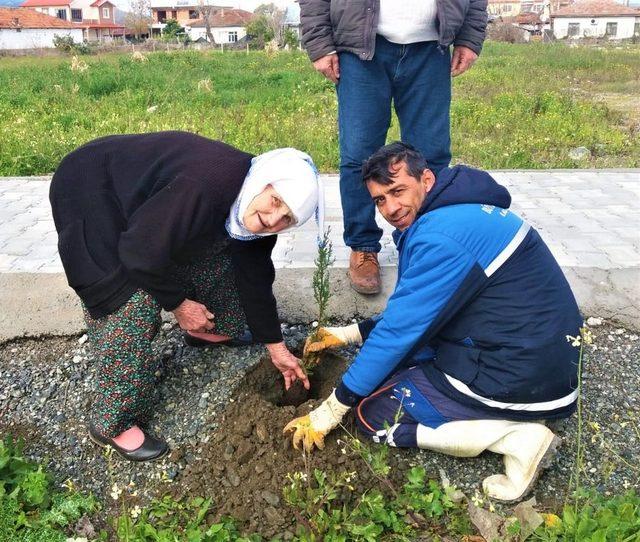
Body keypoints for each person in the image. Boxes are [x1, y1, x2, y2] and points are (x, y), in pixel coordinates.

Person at [284, 142, 582, 502]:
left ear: (426, 178)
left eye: (397, 191)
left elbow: (401, 332)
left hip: (520, 377)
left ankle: (517, 439)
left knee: (372, 413)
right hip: (532, 353)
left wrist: (331, 410)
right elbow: (419, 313)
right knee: (400, 361)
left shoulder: (442, 237)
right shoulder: (458, 212)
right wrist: (346, 335)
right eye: (379, 200)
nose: (390, 208)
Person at [50, 131, 322, 462]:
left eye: (287, 220)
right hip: (90, 189)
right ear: (264, 182)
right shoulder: (205, 186)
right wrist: (179, 304)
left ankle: (204, 330)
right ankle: (111, 423)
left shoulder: (253, 204)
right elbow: (138, 253)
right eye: (276, 202)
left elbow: (255, 275)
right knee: (129, 305)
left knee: (227, 254)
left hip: (152, 212)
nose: (272, 220)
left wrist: (275, 346)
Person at [298, 0, 488, 295]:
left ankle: (427, 242)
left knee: (432, 155)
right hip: (361, 50)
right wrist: (320, 42)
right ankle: (363, 247)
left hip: (430, 49)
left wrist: (470, 37)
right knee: (358, 155)